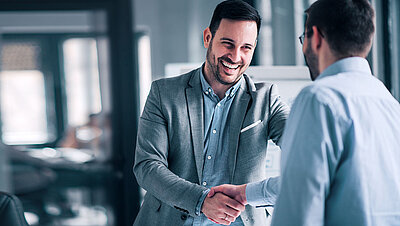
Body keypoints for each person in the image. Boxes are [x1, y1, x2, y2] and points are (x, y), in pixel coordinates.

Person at [209, 0, 400, 225]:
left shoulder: (319, 99)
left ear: (316, 37)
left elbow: (298, 207)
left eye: (303, 38)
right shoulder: (388, 102)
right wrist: (246, 193)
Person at [133, 0, 289, 225]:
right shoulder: (164, 93)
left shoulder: (267, 99)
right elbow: (147, 166)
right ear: (208, 37)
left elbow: (305, 151)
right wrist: (202, 200)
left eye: (246, 47)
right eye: (228, 43)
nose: (235, 57)